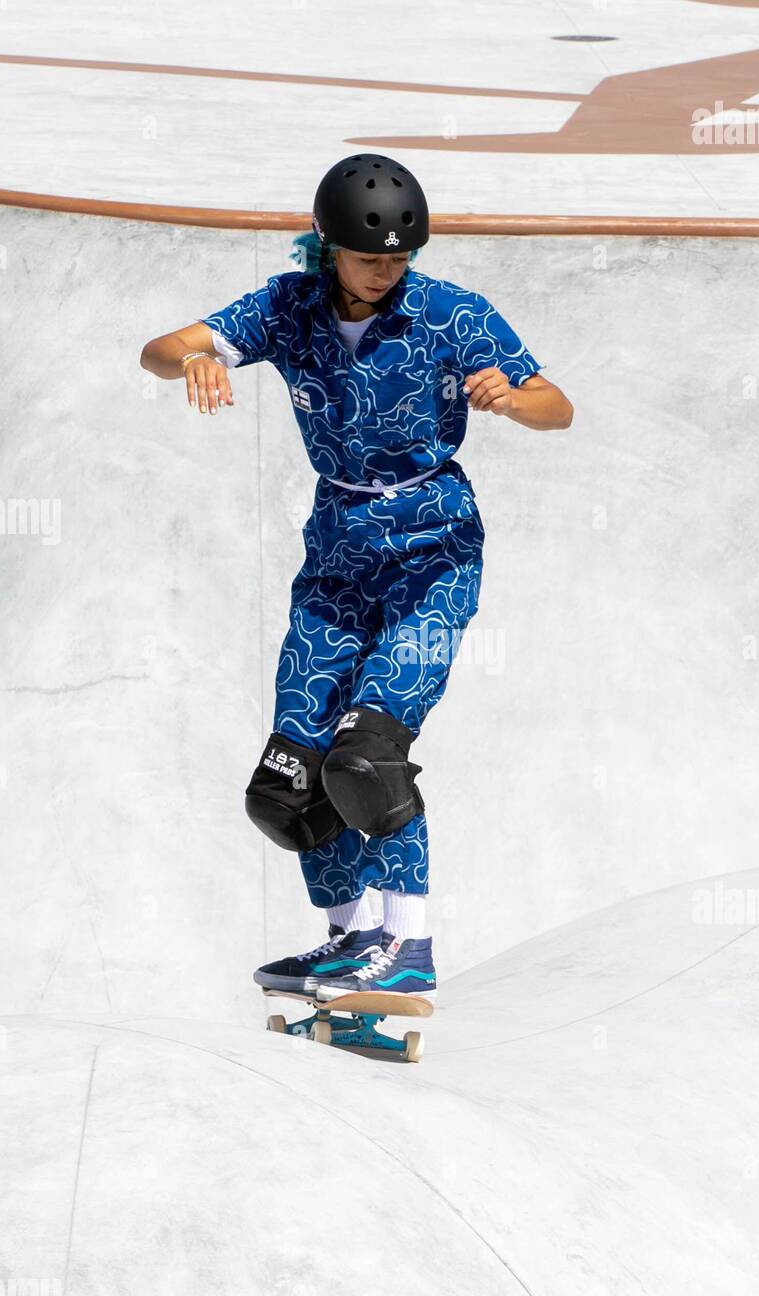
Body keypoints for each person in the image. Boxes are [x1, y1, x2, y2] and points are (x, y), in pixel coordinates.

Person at [140, 153, 572, 1009]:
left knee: (366, 758)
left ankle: (410, 945)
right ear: (328, 247)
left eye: (400, 260)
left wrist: (513, 399)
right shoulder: (286, 307)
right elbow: (160, 348)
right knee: (289, 783)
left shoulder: (452, 315)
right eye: (371, 258)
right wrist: (192, 358)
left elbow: (557, 402)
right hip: (336, 560)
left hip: (432, 553)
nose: (387, 272)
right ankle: (349, 941)